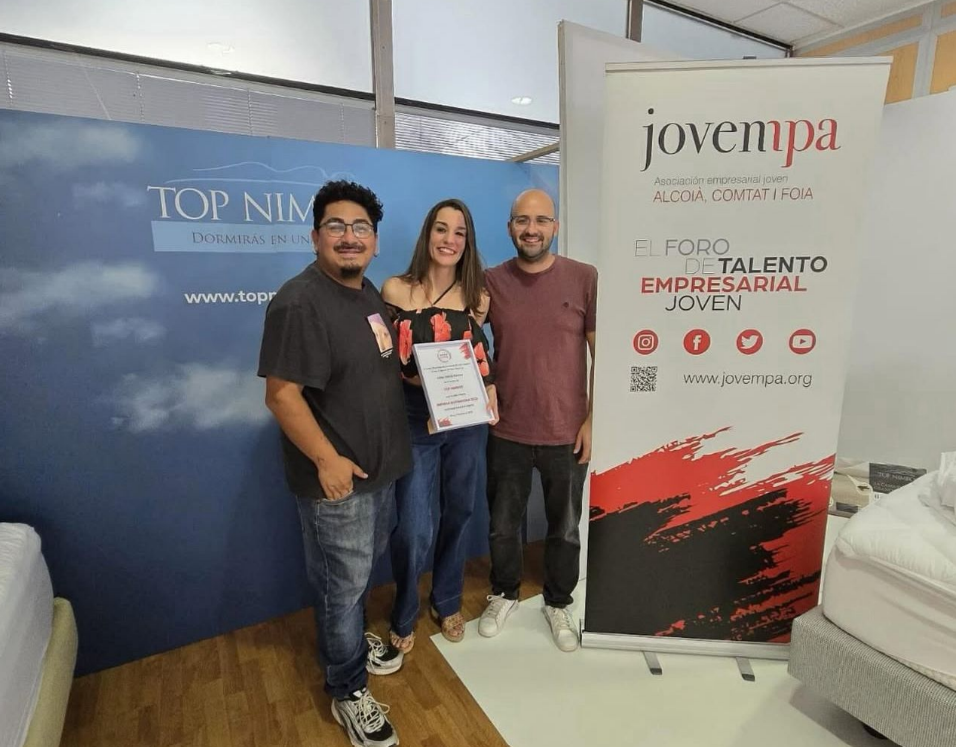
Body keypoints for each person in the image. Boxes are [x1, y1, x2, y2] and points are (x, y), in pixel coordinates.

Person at [258, 180, 411, 747]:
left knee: (355, 581)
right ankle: (347, 689)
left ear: (375, 239)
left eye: (360, 227)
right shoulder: (299, 302)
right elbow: (281, 396)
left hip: (380, 475)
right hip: (337, 486)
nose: (350, 237)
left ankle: (349, 644)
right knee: (340, 590)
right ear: (315, 235)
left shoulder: (366, 292)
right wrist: (328, 461)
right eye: (336, 227)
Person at [478, 188, 597, 653]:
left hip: (566, 431)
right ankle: (504, 593)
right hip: (505, 428)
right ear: (510, 227)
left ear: (555, 227)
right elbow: (464, 342)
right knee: (502, 524)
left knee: (564, 528)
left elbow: (603, 353)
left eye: (541, 220)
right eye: (522, 221)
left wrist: (592, 420)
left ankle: (559, 601)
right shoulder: (490, 281)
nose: (531, 229)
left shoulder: (584, 278)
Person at [381, 198, 498, 654]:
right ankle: (404, 608)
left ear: (468, 242)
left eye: (459, 232)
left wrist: (489, 390)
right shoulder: (395, 289)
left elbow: (479, 356)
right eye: (441, 229)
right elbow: (385, 359)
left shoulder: (478, 297)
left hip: (465, 420)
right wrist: (414, 380)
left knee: (460, 511)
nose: (450, 239)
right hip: (414, 418)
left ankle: (447, 599)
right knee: (413, 525)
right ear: (427, 234)